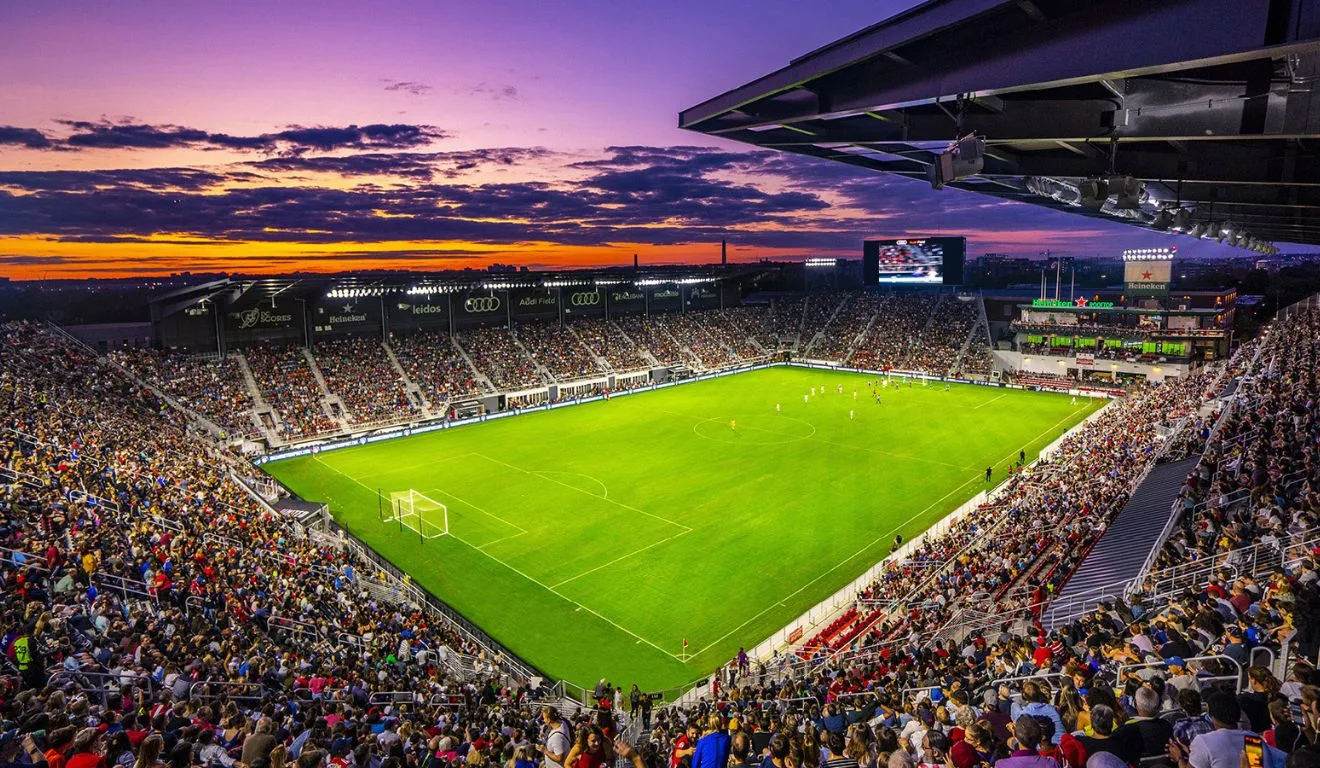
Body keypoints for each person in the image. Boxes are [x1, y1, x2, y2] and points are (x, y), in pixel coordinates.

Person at [1167, 691, 1255, 768]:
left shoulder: (1203, 741)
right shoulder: (1254, 739)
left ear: (1210, 713)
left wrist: (1180, 758)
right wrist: (1193, 755)